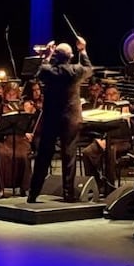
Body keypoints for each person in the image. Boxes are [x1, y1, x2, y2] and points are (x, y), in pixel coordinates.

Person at [28, 38, 93, 204]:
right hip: (71, 118)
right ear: (70, 56)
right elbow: (89, 69)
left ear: (56, 55)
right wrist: (83, 50)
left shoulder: (50, 71)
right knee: (69, 155)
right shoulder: (75, 71)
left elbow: (39, 72)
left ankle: (33, 194)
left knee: (44, 155)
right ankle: (68, 194)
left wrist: (47, 55)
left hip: (51, 117)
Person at [0, 82, 34, 198]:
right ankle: (0, 188)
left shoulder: (22, 107)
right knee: (2, 154)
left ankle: (25, 187)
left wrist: (28, 132)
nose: (10, 97)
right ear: (4, 94)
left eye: (13, 94)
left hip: (19, 139)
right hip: (3, 139)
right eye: (8, 94)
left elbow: (28, 125)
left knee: (23, 155)